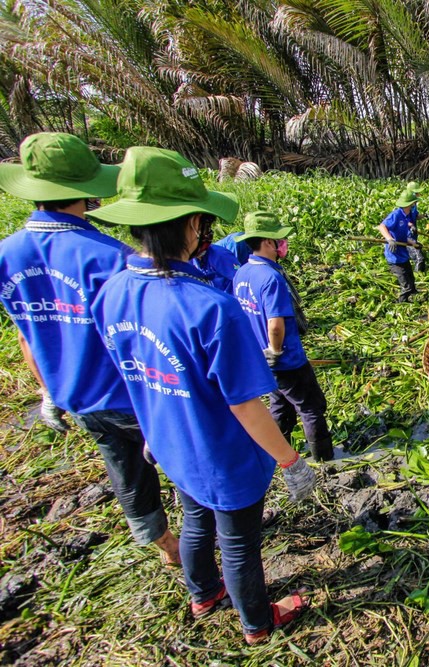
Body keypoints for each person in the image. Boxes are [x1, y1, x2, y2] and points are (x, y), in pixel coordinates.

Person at [88, 146, 316, 644]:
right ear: (191, 223)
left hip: (169, 444)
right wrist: (290, 460)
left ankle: (203, 593)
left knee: (195, 519)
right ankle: (258, 622)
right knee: (238, 542)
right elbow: (244, 404)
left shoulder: (112, 292)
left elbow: (131, 374)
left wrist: (150, 431)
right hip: (222, 453)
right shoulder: (211, 307)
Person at [0, 132, 180, 565]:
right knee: (185, 458)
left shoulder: (7, 254)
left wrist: (48, 393)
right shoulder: (109, 256)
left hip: (76, 395)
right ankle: (206, 539)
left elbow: (27, 333)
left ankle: (165, 546)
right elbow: (141, 336)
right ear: (86, 188)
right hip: (133, 392)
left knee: (126, 473)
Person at [233, 211, 334, 462]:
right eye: (279, 240)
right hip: (285, 358)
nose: (283, 244)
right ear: (268, 242)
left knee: (280, 403)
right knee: (311, 407)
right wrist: (276, 351)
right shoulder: (270, 278)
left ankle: (277, 453)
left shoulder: (242, 273)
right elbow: (275, 323)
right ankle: (324, 459)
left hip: (261, 358)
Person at [378, 190, 420, 302]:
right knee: (406, 284)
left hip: (403, 253)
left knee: (411, 279)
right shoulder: (396, 215)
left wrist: (414, 244)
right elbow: (382, 226)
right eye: (413, 203)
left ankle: (414, 298)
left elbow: (402, 235)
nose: (414, 205)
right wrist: (389, 239)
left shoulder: (407, 216)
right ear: (409, 204)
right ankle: (401, 303)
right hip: (394, 255)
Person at [403, 181, 428, 272]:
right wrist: (411, 225)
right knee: (419, 259)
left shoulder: (414, 205)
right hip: (406, 237)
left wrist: (424, 216)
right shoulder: (405, 205)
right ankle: (417, 278)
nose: (419, 195)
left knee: (419, 256)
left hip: (413, 236)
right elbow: (402, 220)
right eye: (417, 193)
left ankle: (418, 274)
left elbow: (415, 216)